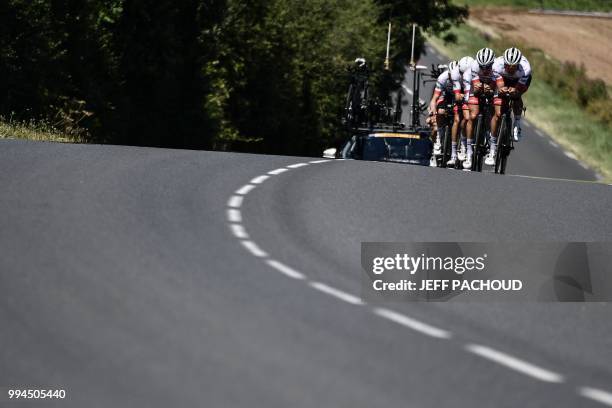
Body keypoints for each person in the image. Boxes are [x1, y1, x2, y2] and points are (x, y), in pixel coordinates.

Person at [464, 48, 504, 169]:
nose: (485, 70)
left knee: (496, 114)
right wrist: (479, 87)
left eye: (488, 67)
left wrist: (491, 90)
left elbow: (499, 87)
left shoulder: (498, 67)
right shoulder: (475, 67)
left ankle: (492, 149)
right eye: (483, 67)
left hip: (493, 86)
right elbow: (475, 89)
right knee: (473, 115)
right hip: (476, 85)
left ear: (493, 64)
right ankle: (469, 152)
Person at [493, 47, 532, 142]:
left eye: (513, 66)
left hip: (519, 79)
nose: (510, 68)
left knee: (516, 96)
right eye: (507, 66)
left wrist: (515, 90)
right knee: (499, 94)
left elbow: (518, 88)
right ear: (504, 63)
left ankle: (517, 123)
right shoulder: (497, 65)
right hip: (503, 77)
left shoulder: (525, 69)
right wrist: (501, 89)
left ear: (518, 65)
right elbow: (499, 85)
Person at [427, 60, 460, 164]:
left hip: (459, 96)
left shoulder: (462, 79)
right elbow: (434, 99)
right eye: (451, 74)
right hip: (446, 96)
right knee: (440, 111)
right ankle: (438, 138)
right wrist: (433, 111)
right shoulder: (442, 78)